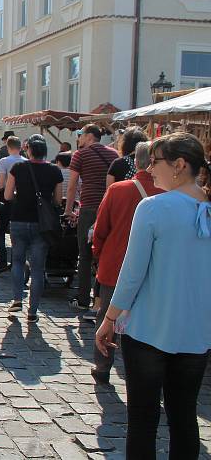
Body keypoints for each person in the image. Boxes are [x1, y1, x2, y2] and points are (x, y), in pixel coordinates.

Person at [95, 132, 211, 459]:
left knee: (143, 419)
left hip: (149, 329)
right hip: (196, 333)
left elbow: (132, 273)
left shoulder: (154, 207)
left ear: (179, 165)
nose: (146, 168)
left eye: (153, 162)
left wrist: (109, 319)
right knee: (184, 417)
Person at [90, 142, 162, 384]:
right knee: (147, 320)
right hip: (154, 269)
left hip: (115, 263)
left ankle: (102, 365)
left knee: (108, 315)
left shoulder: (118, 189)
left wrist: (98, 253)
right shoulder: (167, 194)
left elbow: (101, 228)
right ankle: (145, 373)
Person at [4, 136, 63, 322]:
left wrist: (20, 194)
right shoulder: (54, 170)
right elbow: (57, 200)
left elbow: (7, 195)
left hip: (19, 219)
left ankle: (16, 298)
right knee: (38, 268)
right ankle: (33, 311)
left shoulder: (18, 168)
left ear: (28, 150)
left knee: (18, 261)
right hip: (42, 224)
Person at [64, 124, 118, 310]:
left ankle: (83, 299)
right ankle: (101, 299)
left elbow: (72, 185)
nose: (78, 138)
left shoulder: (80, 154)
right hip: (110, 207)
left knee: (85, 254)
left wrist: (69, 209)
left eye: (80, 134)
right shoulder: (113, 154)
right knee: (105, 253)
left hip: (89, 208)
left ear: (88, 136)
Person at [0, 136, 27, 276]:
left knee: (0, 231)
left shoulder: (4, 161)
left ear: (8, 146)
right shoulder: (26, 161)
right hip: (21, 199)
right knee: (16, 232)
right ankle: (17, 262)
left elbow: (1, 184)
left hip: (6, 197)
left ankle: (2, 261)